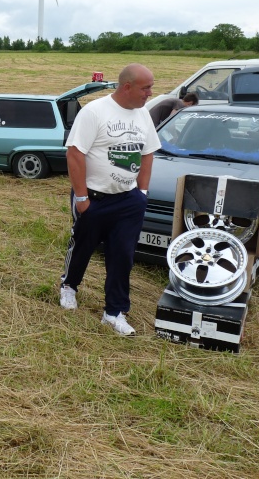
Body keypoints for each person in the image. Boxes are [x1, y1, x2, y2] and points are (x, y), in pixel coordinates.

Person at [59, 63, 162, 336]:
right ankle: (69, 286)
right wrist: (81, 198)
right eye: (146, 87)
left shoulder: (143, 115)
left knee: (123, 256)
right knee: (83, 245)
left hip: (128, 200)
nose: (150, 93)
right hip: (93, 198)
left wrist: (142, 193)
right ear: (127, 86)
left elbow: (148, 152)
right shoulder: (95, 112)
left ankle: (114, 312)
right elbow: (75, 153)